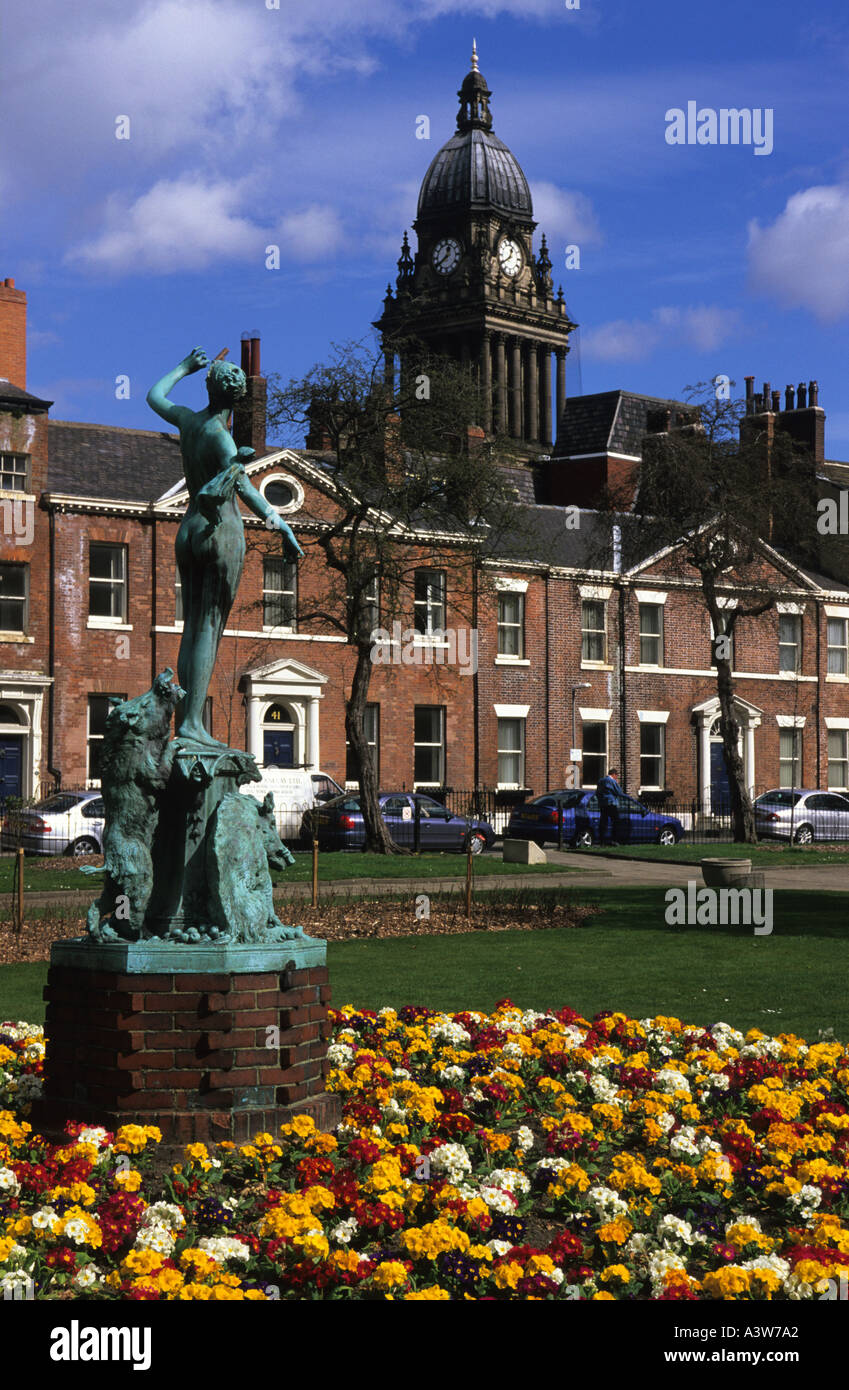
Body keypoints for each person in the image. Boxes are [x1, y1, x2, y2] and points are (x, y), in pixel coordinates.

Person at [147, 347, 303, 750]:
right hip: (220, 533)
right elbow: (246, 489)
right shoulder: (221, 438)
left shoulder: (189, 421)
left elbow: (154, 396)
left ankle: (187, 721)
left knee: (192, 627)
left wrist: (183, 366)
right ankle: (193, 725)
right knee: (209, 629)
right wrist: (281, 526)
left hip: (189, 529)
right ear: (236, 401)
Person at [596, 768, 625, 846]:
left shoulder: (601, 781)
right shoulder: (612, 781)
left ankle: (601, 841)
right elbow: (619, 792)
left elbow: (597, 793)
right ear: (614, 774)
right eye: (616, 776)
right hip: (611, 803)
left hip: (602, 804)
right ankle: (614, 840)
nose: (616, 778)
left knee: (603, 822)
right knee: (616, 821)